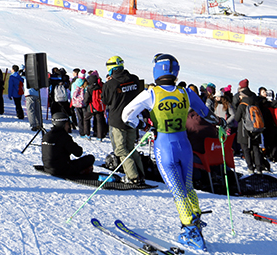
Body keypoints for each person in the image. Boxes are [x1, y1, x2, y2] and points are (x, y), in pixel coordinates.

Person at [122, 54, 215, 251]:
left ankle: (190, 230)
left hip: (165, 147)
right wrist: (221, 123)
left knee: (177, 191)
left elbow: (126, 115)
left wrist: (143, 125)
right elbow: (207, 114)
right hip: (185, 146)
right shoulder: (185, 92)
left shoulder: (151, 93)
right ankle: (194, 223)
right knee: (188, 187)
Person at [102, 55, 145, 185]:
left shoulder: (110, 84)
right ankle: (140, 175)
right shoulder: (134, 79)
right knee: (130, 147)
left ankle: (133, 176)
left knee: (121, 150)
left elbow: (105, 100)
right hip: (132, 119)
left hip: (117, 121)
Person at [41, 113, 95, 177]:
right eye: (67, 124)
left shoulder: (47, 135)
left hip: (47, 168)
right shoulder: (63, 136)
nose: (68, 127)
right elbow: (78, 152)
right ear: (63, 124)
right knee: (90, 158)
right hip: (62, 170)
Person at [234, 79, 266, 175]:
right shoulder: (255, 99)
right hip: (256, 128)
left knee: (246, 149)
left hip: (244, 130)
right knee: (256, 148)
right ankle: (259, 168)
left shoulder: (242, 104)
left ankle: (250, 168)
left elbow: (237, 118)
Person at [84, 71, 107, 141]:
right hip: (99, 107)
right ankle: (99, 136)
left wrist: (86, 103)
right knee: (99, 121)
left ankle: (87, 134)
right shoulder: (100, 87)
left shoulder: (89, 88)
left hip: (91, 107)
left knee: (86, 119)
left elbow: (86, 98)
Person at [70, 69, 87, 137]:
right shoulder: (86, 83)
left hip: (77, 103)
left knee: (80, 118)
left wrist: (73, 100)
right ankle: (86, 131)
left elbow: (72, 94)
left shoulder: (74, 84)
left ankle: (81, 131)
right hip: (84, 102)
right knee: (85, 117)